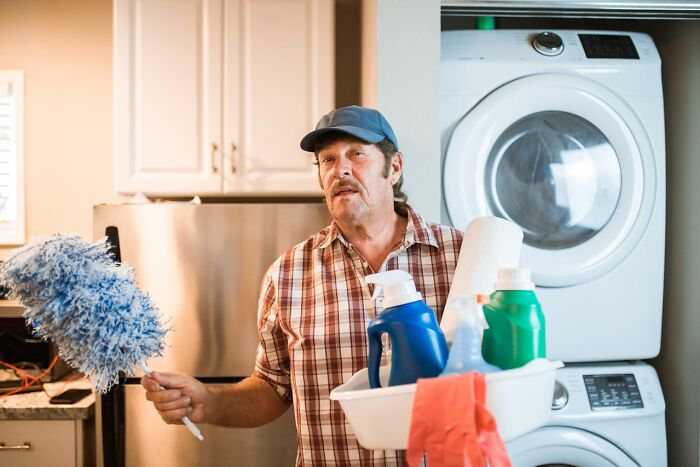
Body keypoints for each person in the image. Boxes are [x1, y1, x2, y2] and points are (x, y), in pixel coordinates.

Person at [141, 105, 463, 466]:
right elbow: (272, 389)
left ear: (395, 168)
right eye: (327, 160)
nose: (340, 169)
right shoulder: (289, 273)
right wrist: (209, 402)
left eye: (356, 154)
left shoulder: (462, 256)